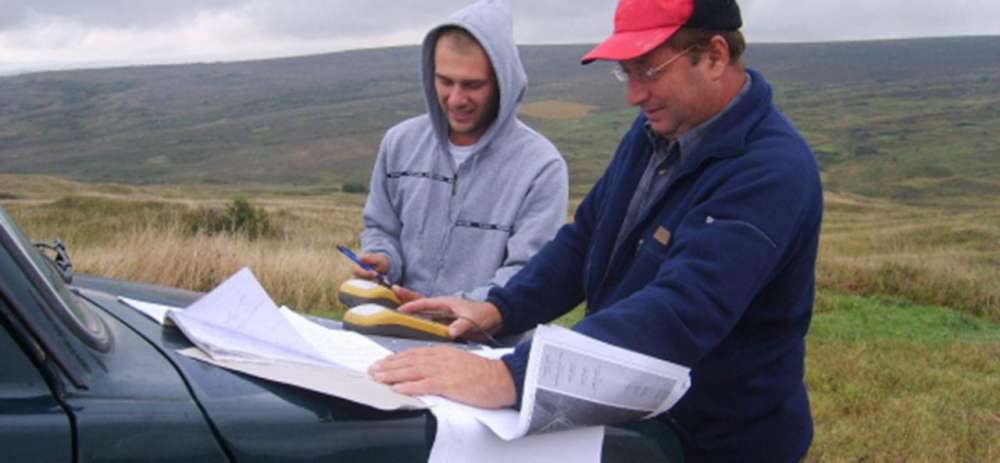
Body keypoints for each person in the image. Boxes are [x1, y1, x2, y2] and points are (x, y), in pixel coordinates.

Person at [370, 0, 823, 460]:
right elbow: (585, 238)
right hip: (639, 423)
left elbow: (684, 308)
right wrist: (499, 309)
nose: (634, 95)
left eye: (648, 70)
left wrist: (509, 377)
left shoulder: (770, 170)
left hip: (722, 440)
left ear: (714, 56)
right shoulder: (654, 133)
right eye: (627, 73)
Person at [351, 0, 568, 304]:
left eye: (473, 85)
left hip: (488, 334)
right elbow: (381, 229)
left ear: (503, 82)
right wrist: (383, 259)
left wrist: (457, 309)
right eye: (445, 81)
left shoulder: (541, 167)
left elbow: (527, 274)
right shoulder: (399, 143)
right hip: (396, 325)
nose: (455, 99)